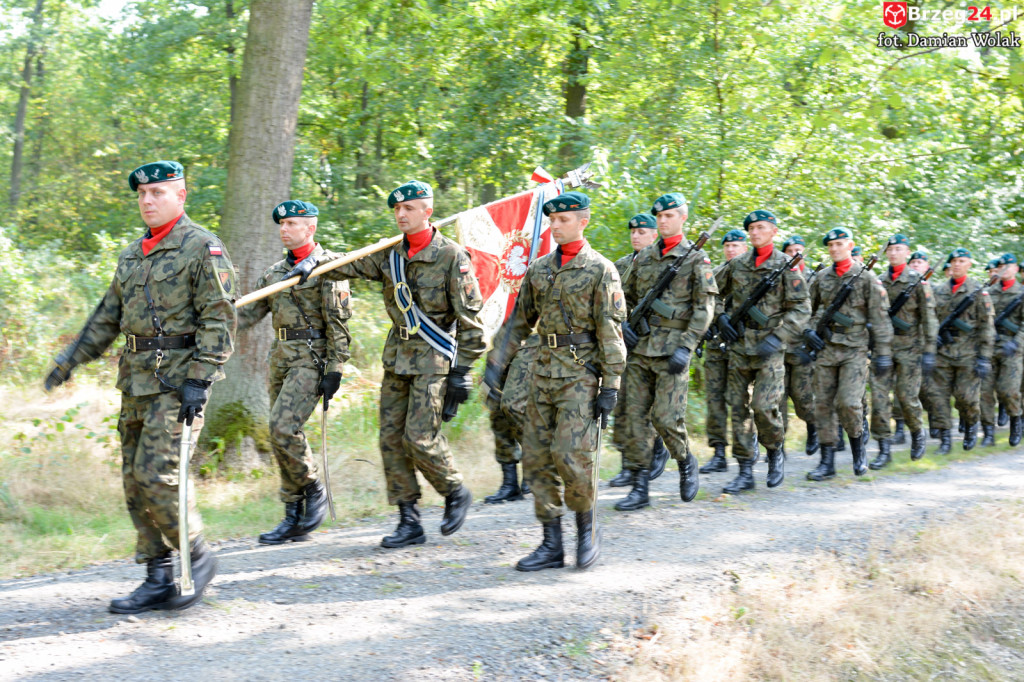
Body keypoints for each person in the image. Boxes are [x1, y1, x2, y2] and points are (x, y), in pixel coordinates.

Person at [44, 160, 235, 613]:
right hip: (136, 382)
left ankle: (199, 556)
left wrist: (201, 380)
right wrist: (70, 359)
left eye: (159, 193)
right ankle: (157, 576)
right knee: (134, 481)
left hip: (178, 384)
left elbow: (220, 318)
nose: (148, 201)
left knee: (157, 475)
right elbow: (107, 316)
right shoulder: (132, 255)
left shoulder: (202, 248)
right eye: (143, 195)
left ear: (180, 196)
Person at [288, 181, 484, 547]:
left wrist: (463, 372)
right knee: (391, 440)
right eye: (397, 210)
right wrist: (312, 262)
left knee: (419, 439)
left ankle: (455, 491)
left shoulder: (452, 257)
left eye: (409, 208)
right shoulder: (389, 255)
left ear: (427, 211)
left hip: (435, 360)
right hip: (397, 360)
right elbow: (346, 265)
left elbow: (473, 321)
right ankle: (408, 520)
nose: (401, 215)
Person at [490, 190, 627, 570]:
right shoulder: (540, 269)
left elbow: (610, 332)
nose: (555, 227)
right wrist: (497, 361)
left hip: (580, 375)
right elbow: (519, 321)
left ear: (583, 221)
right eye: (551, 221)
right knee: (535, 458)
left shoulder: (600, 269)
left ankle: (587, 531)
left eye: (563, 220)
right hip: (541, 372)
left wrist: (610, 386)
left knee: (572, 457)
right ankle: (551, 543)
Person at [237, 200, 350, 543]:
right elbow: (247, 315)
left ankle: (313, 488)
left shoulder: (331, 267)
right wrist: (212, 319)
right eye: (281, 224)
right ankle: (293, 514)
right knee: (278, 435)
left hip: (311, 358)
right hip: (281, 357)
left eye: (292, 224)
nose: (284, 229)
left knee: (282, 426)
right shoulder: (273, 275)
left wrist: (336, 366)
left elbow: (339, 323)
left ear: (310, 228)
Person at [617, 192, 717, 511]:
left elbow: (705, 307)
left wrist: (687, 346)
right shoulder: (644, 257)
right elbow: (625, 297)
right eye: (659, 216)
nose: (663, 221)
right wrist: (623, 326)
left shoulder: (696, 258)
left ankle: (686, 461)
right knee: (635, 420)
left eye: (670, 215)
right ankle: (640, 486)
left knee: (665, 418)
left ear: (683, 218)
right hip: (641, 350)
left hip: (673, 350)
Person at [712, 211, 809, 493]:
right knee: (738, 410)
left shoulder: (786, 266)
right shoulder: (737, 264)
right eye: (751, 228)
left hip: (770, 347)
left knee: (764, 408)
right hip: (739, 346)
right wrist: (721, 318)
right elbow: (711, 292)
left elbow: (802, 308)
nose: (754, 232)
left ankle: (774, 451)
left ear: (773, 231)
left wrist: (780, 336)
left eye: (761, 227)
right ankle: (744, 470)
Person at [803, 228, 893, 480]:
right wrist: (808, 331)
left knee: (849, 403)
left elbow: (881, 318)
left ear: (850, 245)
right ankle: (827, 462)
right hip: (826, 348)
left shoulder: (867, 278)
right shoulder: (821, 277)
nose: (834, 249)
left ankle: (858, 452)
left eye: (839, 244)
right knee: (822, 405)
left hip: (854, 350)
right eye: (830, 245)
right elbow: (807, 309)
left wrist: (883, 353)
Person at [609, 213, 669, 488]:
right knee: (622, 408)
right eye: (632, 232)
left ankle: (657, 447)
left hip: (654, 346)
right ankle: (628, 464)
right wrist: (621, 327)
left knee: (648, 407)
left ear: (654, 235)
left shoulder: (664, 265)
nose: (636, 236)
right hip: (623, 343)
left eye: (642, 232)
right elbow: (612, 303)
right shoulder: (619, 266)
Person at [867, 234, 937, 467]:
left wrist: (929, 351)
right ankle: (883, 449)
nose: (894, 253)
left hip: (910, 348)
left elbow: (929, 318)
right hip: (882, 349)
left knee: (907, 398)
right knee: (879, 400)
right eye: (891, 250)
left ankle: (917, 433)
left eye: (899, 249)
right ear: (887, 253)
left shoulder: (918, 282)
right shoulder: (877, 281)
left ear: (907, 253)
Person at [923, 248, 995, 453]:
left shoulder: (978, 292)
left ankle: (971, 427)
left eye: (962, 261)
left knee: (966, 397)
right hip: (942, 353)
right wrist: (930, 343)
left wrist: (984, 358)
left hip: (968, 354)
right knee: (938, 397)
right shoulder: (938, 291)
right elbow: (929, 319)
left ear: (969, 264)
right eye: (954, 261)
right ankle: (945, 439)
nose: (957, 264)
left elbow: (987, 327)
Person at [698, 228, 750, 475]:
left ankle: (746, 450)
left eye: (736, 245)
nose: (731, 249)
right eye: (727, 246)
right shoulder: (715, 273)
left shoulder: (752, 274)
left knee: (741, 401)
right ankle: (719, 452)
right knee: (715, 399)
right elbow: (703, 301)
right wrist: (710, 325)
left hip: (744, 345)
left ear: (745, 248)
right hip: (718, 345)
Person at [780, 235, 819, 456]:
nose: (794, 253)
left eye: (798, 249)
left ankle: (813, 427)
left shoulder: (814, 278)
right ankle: (778, 446)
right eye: (790, 250)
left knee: (803, 398)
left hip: (803, 348)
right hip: (777, 346)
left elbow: (818, 310)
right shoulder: (776, 277)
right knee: (777, 400)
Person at [979, 253, 1024, 447]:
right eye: (1002, 265)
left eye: (1009, 265)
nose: (1005, 268)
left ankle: (1016, 422)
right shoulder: (989, 291)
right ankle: (988, 434)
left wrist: (1016, 343)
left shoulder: (1021, 292)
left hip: (1012, 348)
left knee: (1009, 391)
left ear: (1015, 269)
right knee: (985, 392)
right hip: (989, 347)